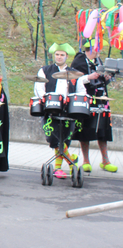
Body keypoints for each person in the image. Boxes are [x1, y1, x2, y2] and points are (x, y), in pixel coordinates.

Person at [33, 43, 88, 179]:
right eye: (57, 54)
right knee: (54, 137)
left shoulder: (74, 74)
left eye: (62, 55)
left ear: (66, 56)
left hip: (68, 110)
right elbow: (39, 88)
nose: (59, 57)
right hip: (51, 108)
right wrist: (45, 99)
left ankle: (58, 168)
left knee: (65, 138)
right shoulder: (45, 70)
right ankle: (71, 161)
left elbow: (81, 91)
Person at [71, 41, 117, 173]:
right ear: (90, 49)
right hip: (86, 100)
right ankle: (86, 161)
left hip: (102, 99)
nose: (99, 52)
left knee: (103, 129)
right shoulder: (79, 62)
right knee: (85, 130)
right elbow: (74, 80)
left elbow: (102, 81)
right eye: (97, 49)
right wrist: (88, 77)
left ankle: (105, 160)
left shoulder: (99, 61)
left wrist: (107, 78)